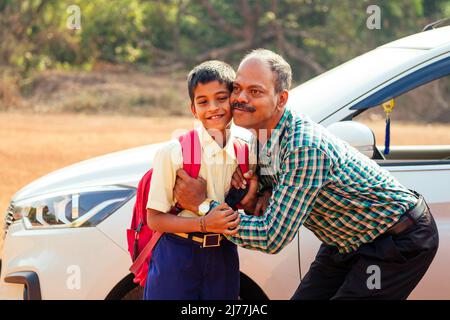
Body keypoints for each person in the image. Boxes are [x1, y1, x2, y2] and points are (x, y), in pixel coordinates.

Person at [173, 49, 439, 300]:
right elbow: (265, 198)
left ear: (281, 99)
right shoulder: (261, 136)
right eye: (237, 88)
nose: (241, 98)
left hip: (396, 239)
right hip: (345, 240)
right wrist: (253, 189)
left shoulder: (304, 147)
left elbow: (271, 236)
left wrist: (204, 206)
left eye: (255, 91)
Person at [144, 60, 243, 300]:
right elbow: (154, 219)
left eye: (221, 98)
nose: (213, 108)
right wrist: (204, 225)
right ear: (193, 109)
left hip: (223, 255)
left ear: (234, 100)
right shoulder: (174, 153)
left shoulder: (244, 152)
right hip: (178, 255)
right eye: (203, 102)